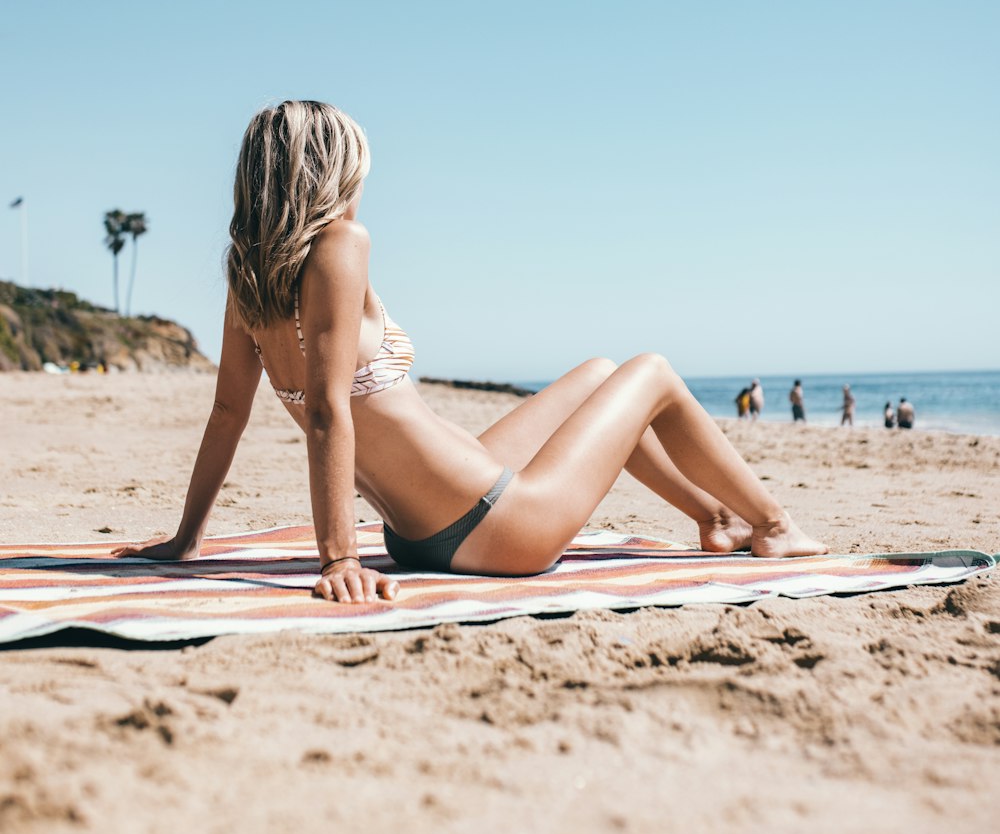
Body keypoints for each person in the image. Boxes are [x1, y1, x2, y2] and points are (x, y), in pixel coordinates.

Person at [114, 101, 826, 603]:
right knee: (654, 373)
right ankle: (773, 525)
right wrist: (339, 557)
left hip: (419, 532)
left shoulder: (252, 280)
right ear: (329, 179)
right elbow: (330, 410)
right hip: (501, 529)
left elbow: (227, 413)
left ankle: (713, 516)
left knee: (600, 377)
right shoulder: (341, 246)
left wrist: (186, 538)